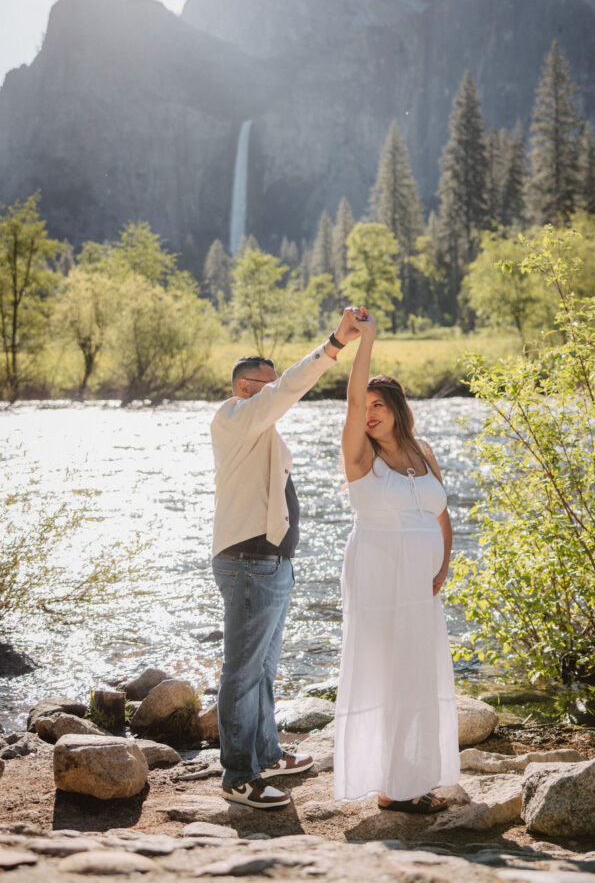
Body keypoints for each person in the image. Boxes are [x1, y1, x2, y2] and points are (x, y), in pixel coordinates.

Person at [211, 308, 361, 809]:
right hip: (250, 562)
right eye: (267, 386)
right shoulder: (234, 418)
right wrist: (335, 344)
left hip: (272, 565)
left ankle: (267, 753)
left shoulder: (262, 429)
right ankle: (237, 777)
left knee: (264, 670)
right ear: (245, 388)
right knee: (242, 670)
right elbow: (290, 389)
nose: (278, 394)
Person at [334, 308, 460, 812]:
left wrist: (443, 564)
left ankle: (412, 776)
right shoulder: (360, 455)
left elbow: (443, 512)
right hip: (378, 575)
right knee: (385, 671)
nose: (368, 412)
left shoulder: (423, 450)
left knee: (418, 672)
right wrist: (367, 341)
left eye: (378, 404)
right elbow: (350, 399)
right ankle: (389, 786)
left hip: (420, 583)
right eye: (363, 405)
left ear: (397, 408)